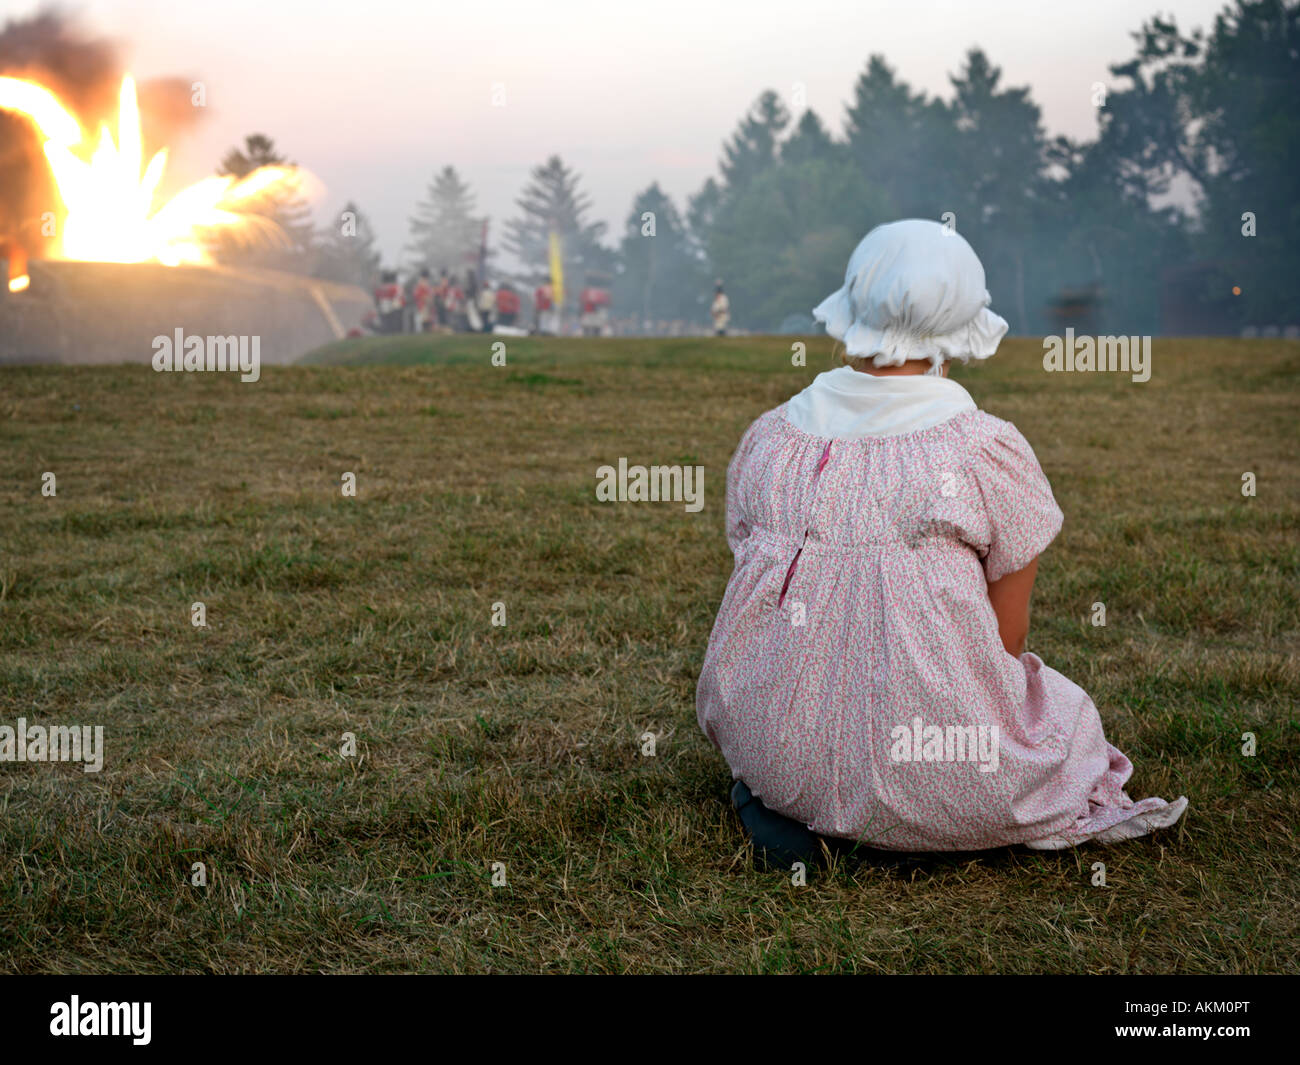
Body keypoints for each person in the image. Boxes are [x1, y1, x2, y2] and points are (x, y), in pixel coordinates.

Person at [696, 219, 1187, 866]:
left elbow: (753, 579)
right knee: (1063, 718)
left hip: (774, 751)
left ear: (852, 310)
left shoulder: (772, 440)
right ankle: (923, 817)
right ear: (959, 325)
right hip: (938, 765)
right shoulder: (984, 450)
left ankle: (807, 801)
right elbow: (1006, 642)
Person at [412, 267, 435, 332]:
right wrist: (427, 299)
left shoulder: (426, 284)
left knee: (429, 320)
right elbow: (418, 295)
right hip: (423, 305)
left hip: (428, 306)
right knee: (424, 320)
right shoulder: (420, 285)